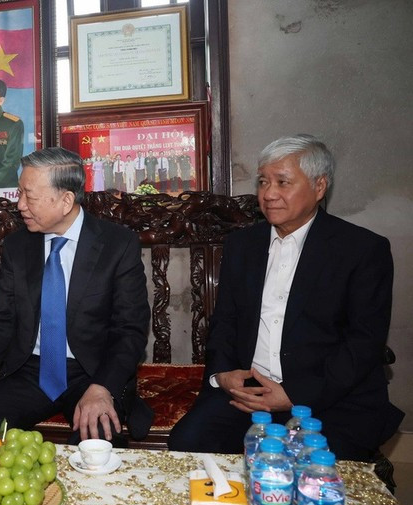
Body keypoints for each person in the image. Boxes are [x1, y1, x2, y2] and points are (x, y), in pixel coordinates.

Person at [168, 134, 404, 461]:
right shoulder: (242, 246)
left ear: (319, 187)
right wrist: (223, 372)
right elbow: (225, 320)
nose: (269, 194)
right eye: (263, 182)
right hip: (248, 393)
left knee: (314, 479)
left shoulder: (361, 251)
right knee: (186, 446)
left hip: (329, 399)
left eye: (283, 182)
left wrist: (293, 394)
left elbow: (364, 343)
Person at [0, 147, 153, 444]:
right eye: (19, 193)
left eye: (30, 196)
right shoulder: (19, 246)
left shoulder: (117, 244)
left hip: (92, 370)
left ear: (66, 200)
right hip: (32, 369)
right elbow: (1, 322)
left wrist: (103, 387)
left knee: (99, 435)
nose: (20, 205)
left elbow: (130, 329)